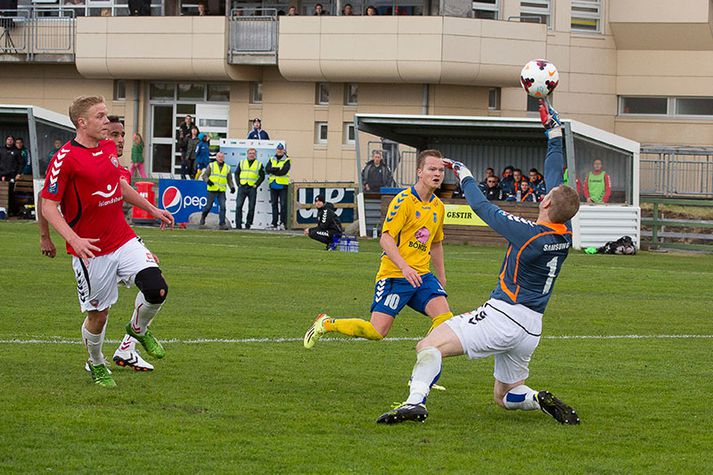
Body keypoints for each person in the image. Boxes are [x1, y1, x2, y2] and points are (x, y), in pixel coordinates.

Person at [376, 99, 581, 426]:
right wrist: (554, 134)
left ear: (543, 201)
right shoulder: (564, 231)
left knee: (428, 344)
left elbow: (484, 209)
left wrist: (465, 174)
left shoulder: (528, 235)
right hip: (532, 327)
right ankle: (536, 398)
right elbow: (557, 176)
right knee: (504, 396)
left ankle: (415, 402)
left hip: (504, 315)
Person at [40, 96, 174, 388]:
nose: (107, 122)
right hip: (91, 249)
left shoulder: (108, 148)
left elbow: (120, 185)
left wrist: (152, 209)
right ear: (82, 123)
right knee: (98, 315)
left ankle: (137, 330)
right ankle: (96, 362)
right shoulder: (65, 158)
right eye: (100, 117)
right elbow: (48, 204)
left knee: (157, 288)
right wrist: (70, 239)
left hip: (122, 238)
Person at [304, 149, 454, 348]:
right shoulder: (403, 201)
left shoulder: (438, 206)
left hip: (422, 276)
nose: (437, 174)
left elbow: (435, 243)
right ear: (419, 172)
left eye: (441, 170)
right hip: (394, 276)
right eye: (432, 169)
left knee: (446, 321)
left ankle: (423, 376)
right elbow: (385, 239)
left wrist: (441, 277)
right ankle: (326, 323)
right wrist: (404, 267)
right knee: (376, 331)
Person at [200, 151, 236, 230]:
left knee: (223, 206)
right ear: (216, 158)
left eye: (222, 157)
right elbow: (204, 175)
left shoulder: (227, 167)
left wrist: (232, 187)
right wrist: (208, 181)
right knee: (208, 207)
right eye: (219, 157)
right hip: (212, 189)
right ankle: (203, 216)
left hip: (221, 190)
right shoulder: (211, 165)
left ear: (224, 158)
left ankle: (222, 224)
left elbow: (229, 179)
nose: (220, 158)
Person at [234, 147, 265, 229]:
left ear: (255, 155)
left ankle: (248, 224)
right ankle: (238, 224)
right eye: (250, 153)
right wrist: (238, 184)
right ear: (247, 154)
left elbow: (262, 177)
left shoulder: (259, 164)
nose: (252, 155)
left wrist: (256, 185)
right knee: (238, 206)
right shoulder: (242, 162)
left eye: (253, 153)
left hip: (252, 188)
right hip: (242, 187)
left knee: (251, 207)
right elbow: (236, 174)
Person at [265, 143, 290, 230]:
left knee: (283, 205)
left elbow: (284, 171)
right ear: (276, 150)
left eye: (281, 150)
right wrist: (276, 169)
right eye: (278, 150)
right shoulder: (272, 159)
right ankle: (274, 223)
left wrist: (273, 170)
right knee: (274, 204)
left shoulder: (287, 160)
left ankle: (283, 222)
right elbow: (267, 169)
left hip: (283, 185)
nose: (279, 151)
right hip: (273, 184)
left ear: (283, 150)